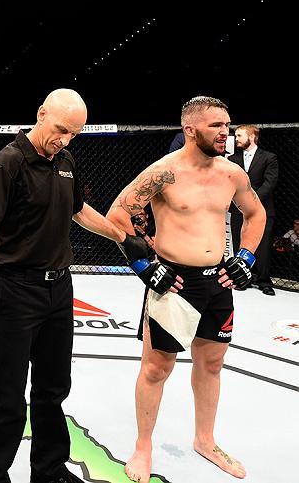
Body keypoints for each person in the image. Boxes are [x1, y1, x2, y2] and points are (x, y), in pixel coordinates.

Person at [0, 89, 131, 483]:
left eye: (74, 134)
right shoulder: (9, 162)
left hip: (58, 291)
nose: (65, 140)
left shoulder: (65, 159)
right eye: (61, 129)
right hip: (16, 292)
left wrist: (120, 235)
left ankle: (49, 470)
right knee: (8, 395)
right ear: (40, 114)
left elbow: (79, 211)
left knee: (53, 389)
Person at [106, 96, 266, 483]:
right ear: (191, 130)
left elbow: (255, 213)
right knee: (158, 367)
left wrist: (245, 257)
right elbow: (117, 215)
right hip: (174, 283)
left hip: (218, 281)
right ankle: (143, 447)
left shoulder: (232, 174)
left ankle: (205, 440)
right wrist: (144, 265)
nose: (225, 132)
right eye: (216, 125)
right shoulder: (164, 172)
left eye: (227, 124)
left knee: (211, 364)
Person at [228, 124, 279, 295]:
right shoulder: (232, 159)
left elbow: (270, 183)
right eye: (236, 136)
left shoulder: (269, 157)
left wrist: (251, 201)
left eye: (239, 136)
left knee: (263, 245)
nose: (236, 139)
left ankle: (264, 281)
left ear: (251, 137)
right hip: (238, 210)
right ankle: (243, 278)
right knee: (239, 243)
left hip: (262, 208)